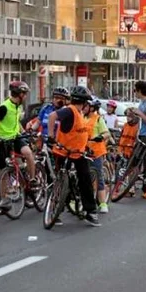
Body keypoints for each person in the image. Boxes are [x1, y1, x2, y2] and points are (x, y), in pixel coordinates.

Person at [46, 86, 100, 226]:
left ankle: (85, 210)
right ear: (84, 102)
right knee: (74, 181)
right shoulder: (70, 110)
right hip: (64, 151)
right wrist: (51, 136)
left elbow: (78, 133)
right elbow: (53, 116)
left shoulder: (78, 113)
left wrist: (87, 146)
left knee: (82, 178)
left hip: (77, 152)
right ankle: (89, 212)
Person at [0, 81, 38, 195]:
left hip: (15, 137)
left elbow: (16, 122)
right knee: (4, 169)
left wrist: (24, 132)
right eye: (24, 94)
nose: (26, 97)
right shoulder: (4, 107)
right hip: (3, 140)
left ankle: (32, 179)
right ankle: (4, 197)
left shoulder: (18, 106)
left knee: (28, 153)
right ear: (20, 94)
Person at [84, 99, 111, 213]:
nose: (84, 107)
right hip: (83, 151)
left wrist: (101, 137)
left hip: (96, 152)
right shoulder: (82, 118)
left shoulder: (98, 119)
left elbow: (106, 133)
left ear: (92, 108)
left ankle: (103, 202)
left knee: (99, 176)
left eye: (87, 106)